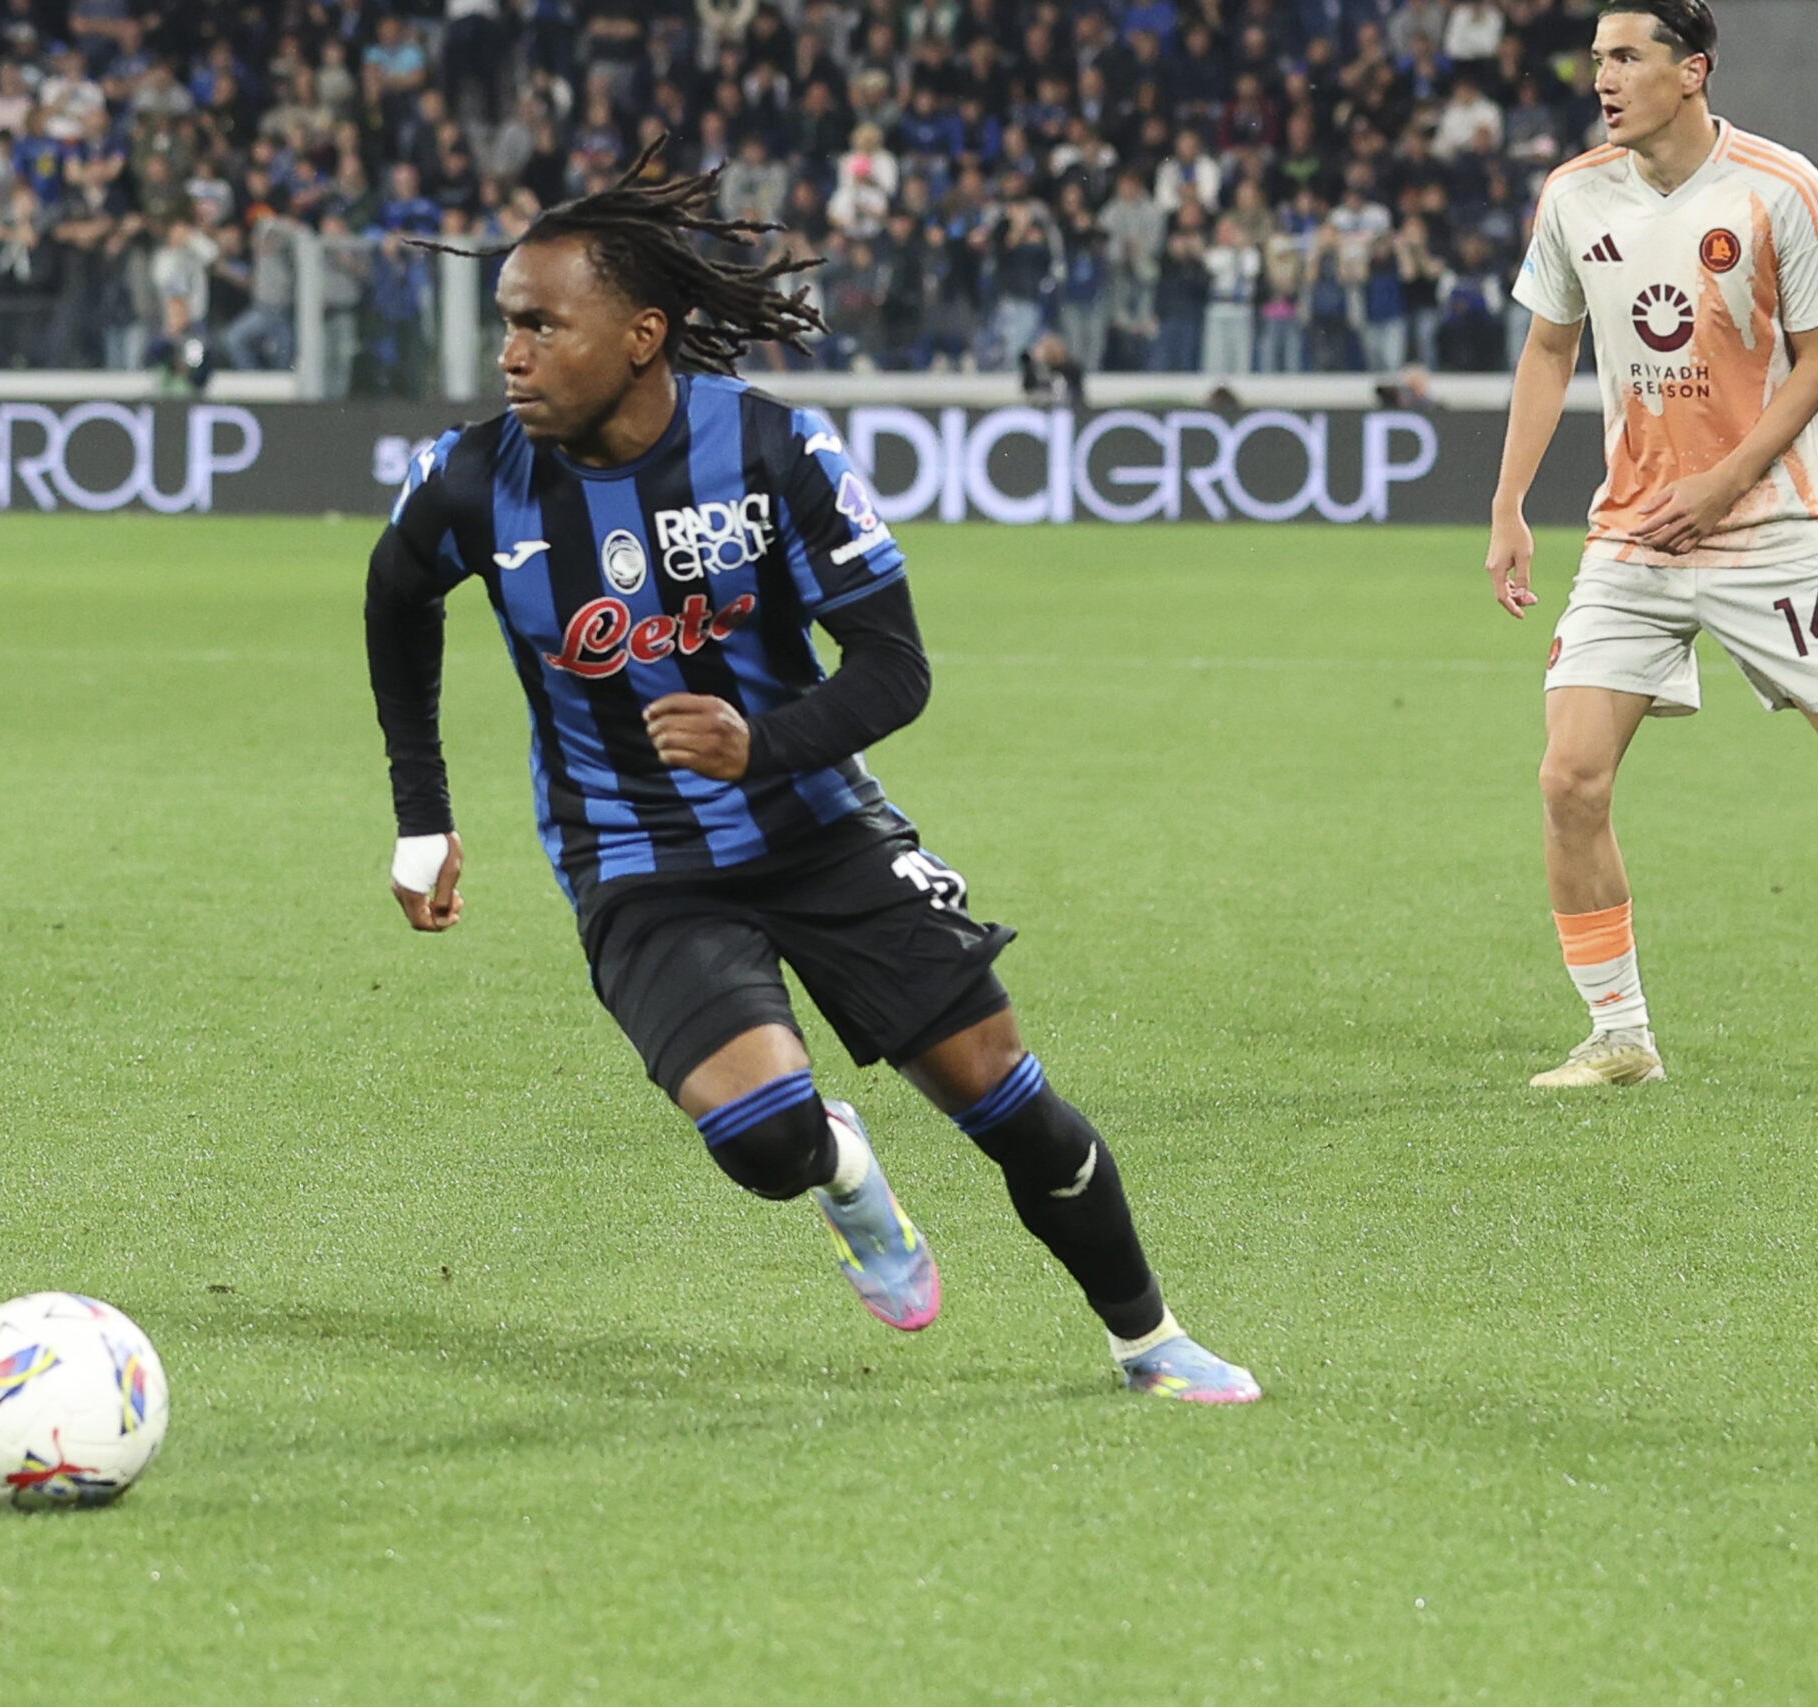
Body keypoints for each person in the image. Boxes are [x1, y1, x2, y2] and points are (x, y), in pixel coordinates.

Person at [364, 144, 1259, 1403]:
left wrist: (759, 744)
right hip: (637, 859)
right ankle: (842, 1169)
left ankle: (1149, 1339)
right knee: (765, 1142)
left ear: (640, 335)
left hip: (819, 824)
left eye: (537, 325)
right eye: (504, 325)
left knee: (1007, 1106)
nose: (507, 354)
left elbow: (896, 669)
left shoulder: (775, 452)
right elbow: (394, 599)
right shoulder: (469, 480)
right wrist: (423, 813)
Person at [1487, 0, 1818, 1087]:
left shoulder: (1780, 187)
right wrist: (1509, 503)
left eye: (1624, 57)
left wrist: (1723, 479)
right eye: (1596, 59)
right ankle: (1620, 1038)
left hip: (1772, 535)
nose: (1600, 78)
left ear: (1690, 69)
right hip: (1635, 537)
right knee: (1568, 781)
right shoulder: (1572, 195)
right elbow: (1548, 347)